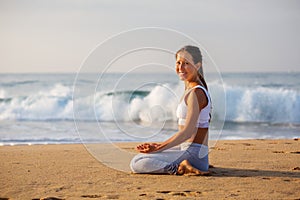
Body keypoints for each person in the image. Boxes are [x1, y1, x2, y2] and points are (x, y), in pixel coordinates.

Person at [130, 45, 212, 175]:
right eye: (178, 63)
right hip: (187, 150)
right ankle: (182, 164)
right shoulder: (191, 89)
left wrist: (158, 149)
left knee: (137, 163)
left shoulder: (196, 93)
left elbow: (187, 132)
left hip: (194, 154)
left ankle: (179, 168)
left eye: (186, 63)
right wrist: (157, 146)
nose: (180, 67)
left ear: (197, 65)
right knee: (141, 156)